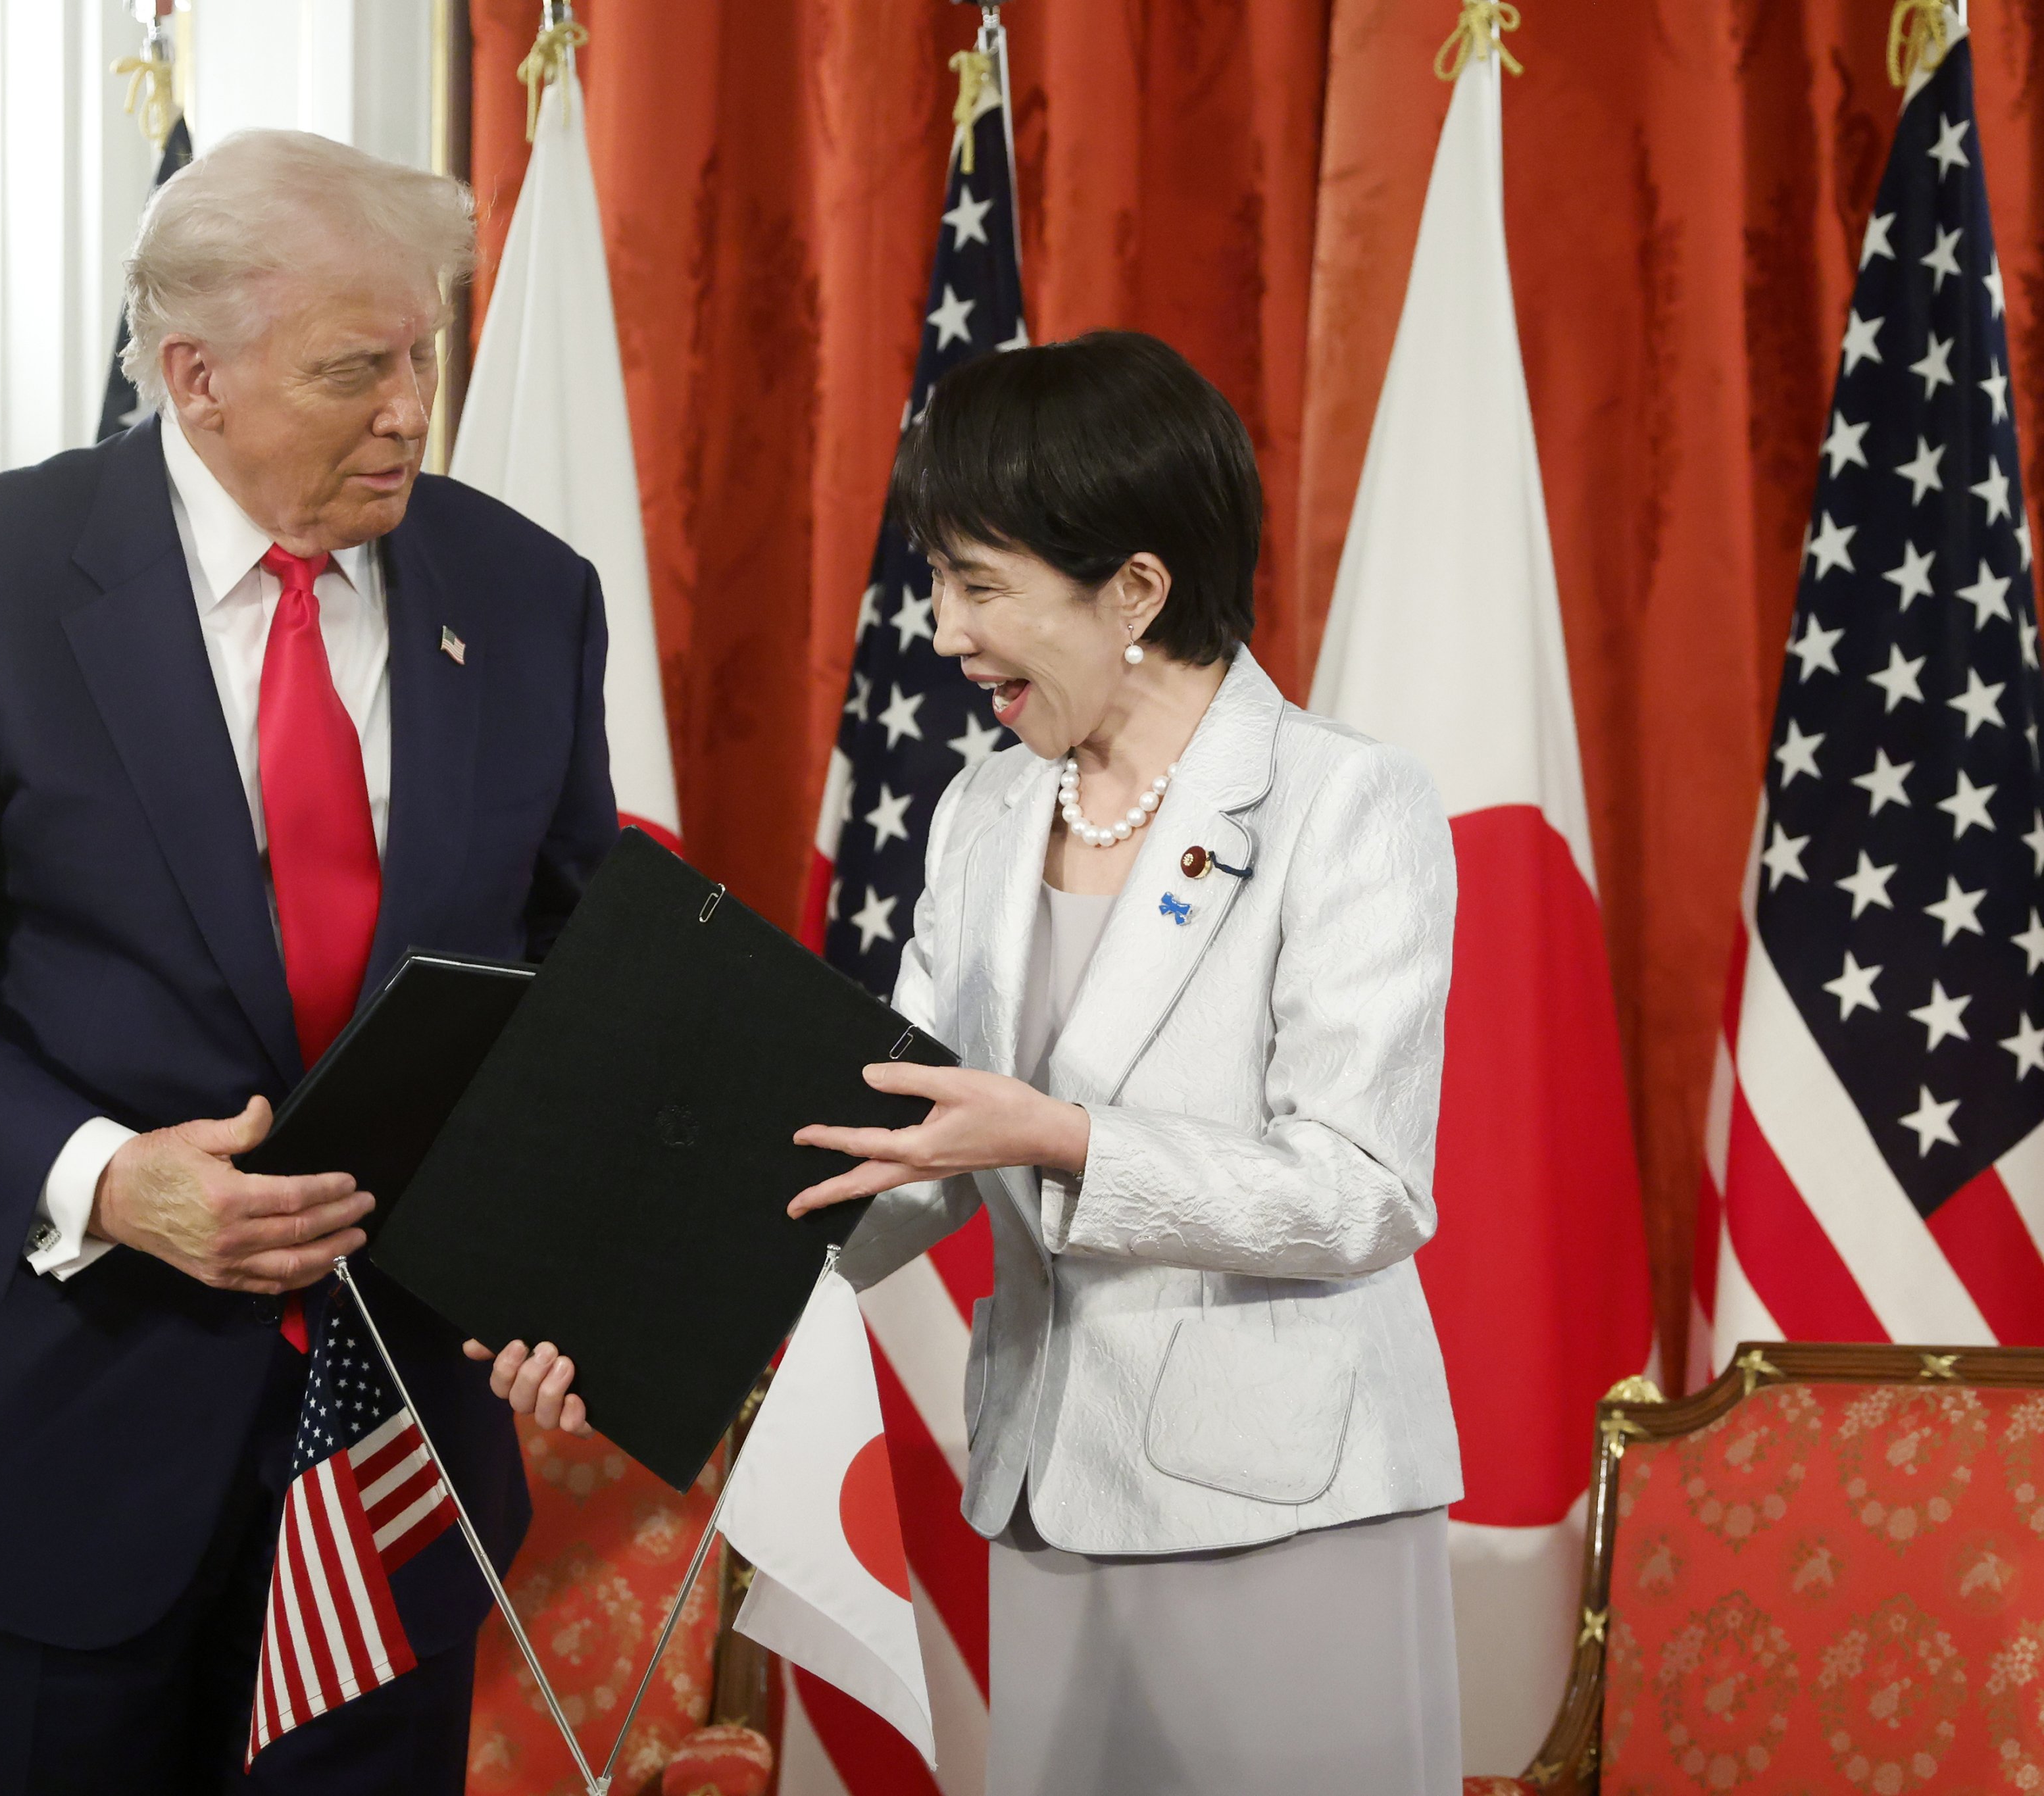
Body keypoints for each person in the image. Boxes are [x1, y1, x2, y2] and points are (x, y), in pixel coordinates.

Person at [486, 332, 1462, 1793]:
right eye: (936, 580)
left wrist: (1061, 1139)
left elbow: (1359, 1194)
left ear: (1134, 588)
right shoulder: (985, 810)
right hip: (1047, 1498)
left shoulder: (1344, 803)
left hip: (1283, 1507)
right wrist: (626, 1316)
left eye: (980, 585)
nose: (941, 630)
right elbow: (907, 1154)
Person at [0, 128, 618, 1794]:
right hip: (39, 1438)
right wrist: (104, 1182)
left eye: (422, 355)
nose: (407, 406)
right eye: (353, 368)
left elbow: (566, 970)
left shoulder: (526, 594)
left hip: (389, 1455)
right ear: (196, 376)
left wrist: (572, 1261)